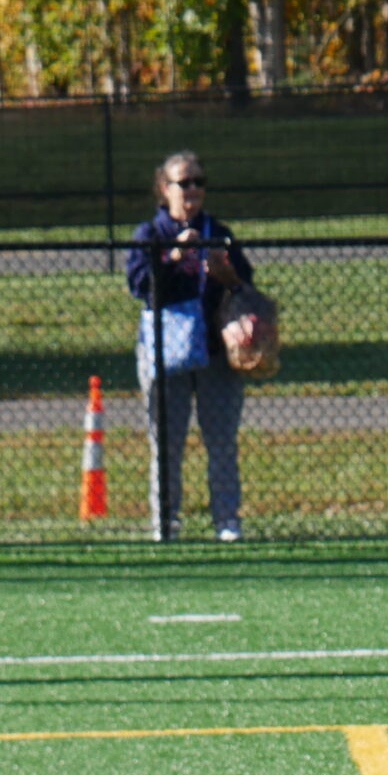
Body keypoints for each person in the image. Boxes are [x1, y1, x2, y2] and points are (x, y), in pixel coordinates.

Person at [125, 152, 257, 541]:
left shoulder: (219, 231)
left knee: (220, 442)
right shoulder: (149, 235)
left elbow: (245, 286)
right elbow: (140, 287)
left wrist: (226, 273)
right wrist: (173, 256)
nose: (194, 190)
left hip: (216, 354)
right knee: (166, 444)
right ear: (165, 189)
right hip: (167, 354)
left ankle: (227, 522)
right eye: (185, 183)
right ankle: (166, 522)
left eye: (200, 182)